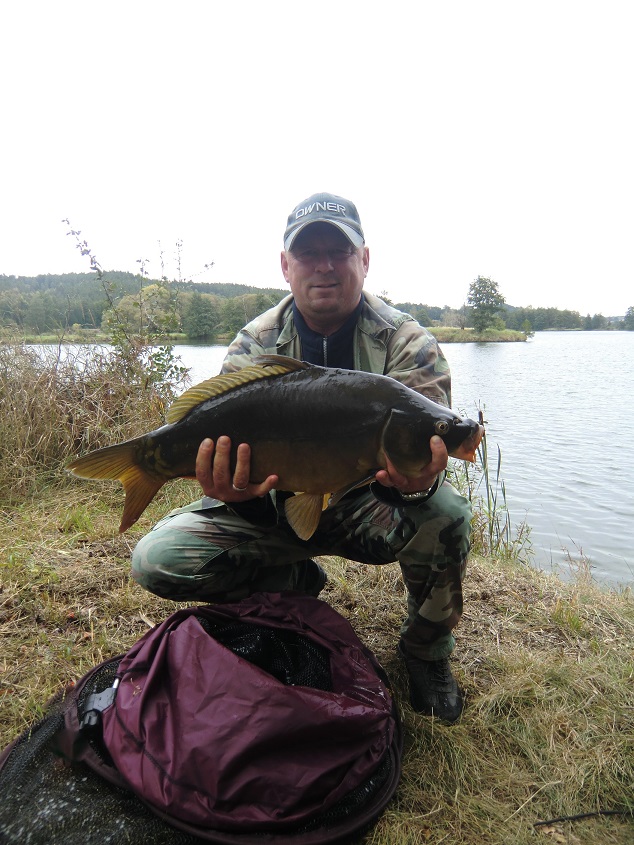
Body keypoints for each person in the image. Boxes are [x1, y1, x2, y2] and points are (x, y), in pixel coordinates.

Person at [132, 192, 473, 723]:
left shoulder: (407, 343)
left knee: (447, 513)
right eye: (308, 253)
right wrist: (235, 494)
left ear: (364, 260)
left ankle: (426, 653)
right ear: (285, 266)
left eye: (339, 252)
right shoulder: (257, 342)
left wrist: (418, 485)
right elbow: (219, 436)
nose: (325, 266)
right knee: (156, 559)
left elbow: (422, 451)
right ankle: (294, 583)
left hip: (366, 507)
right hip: (268, 507)